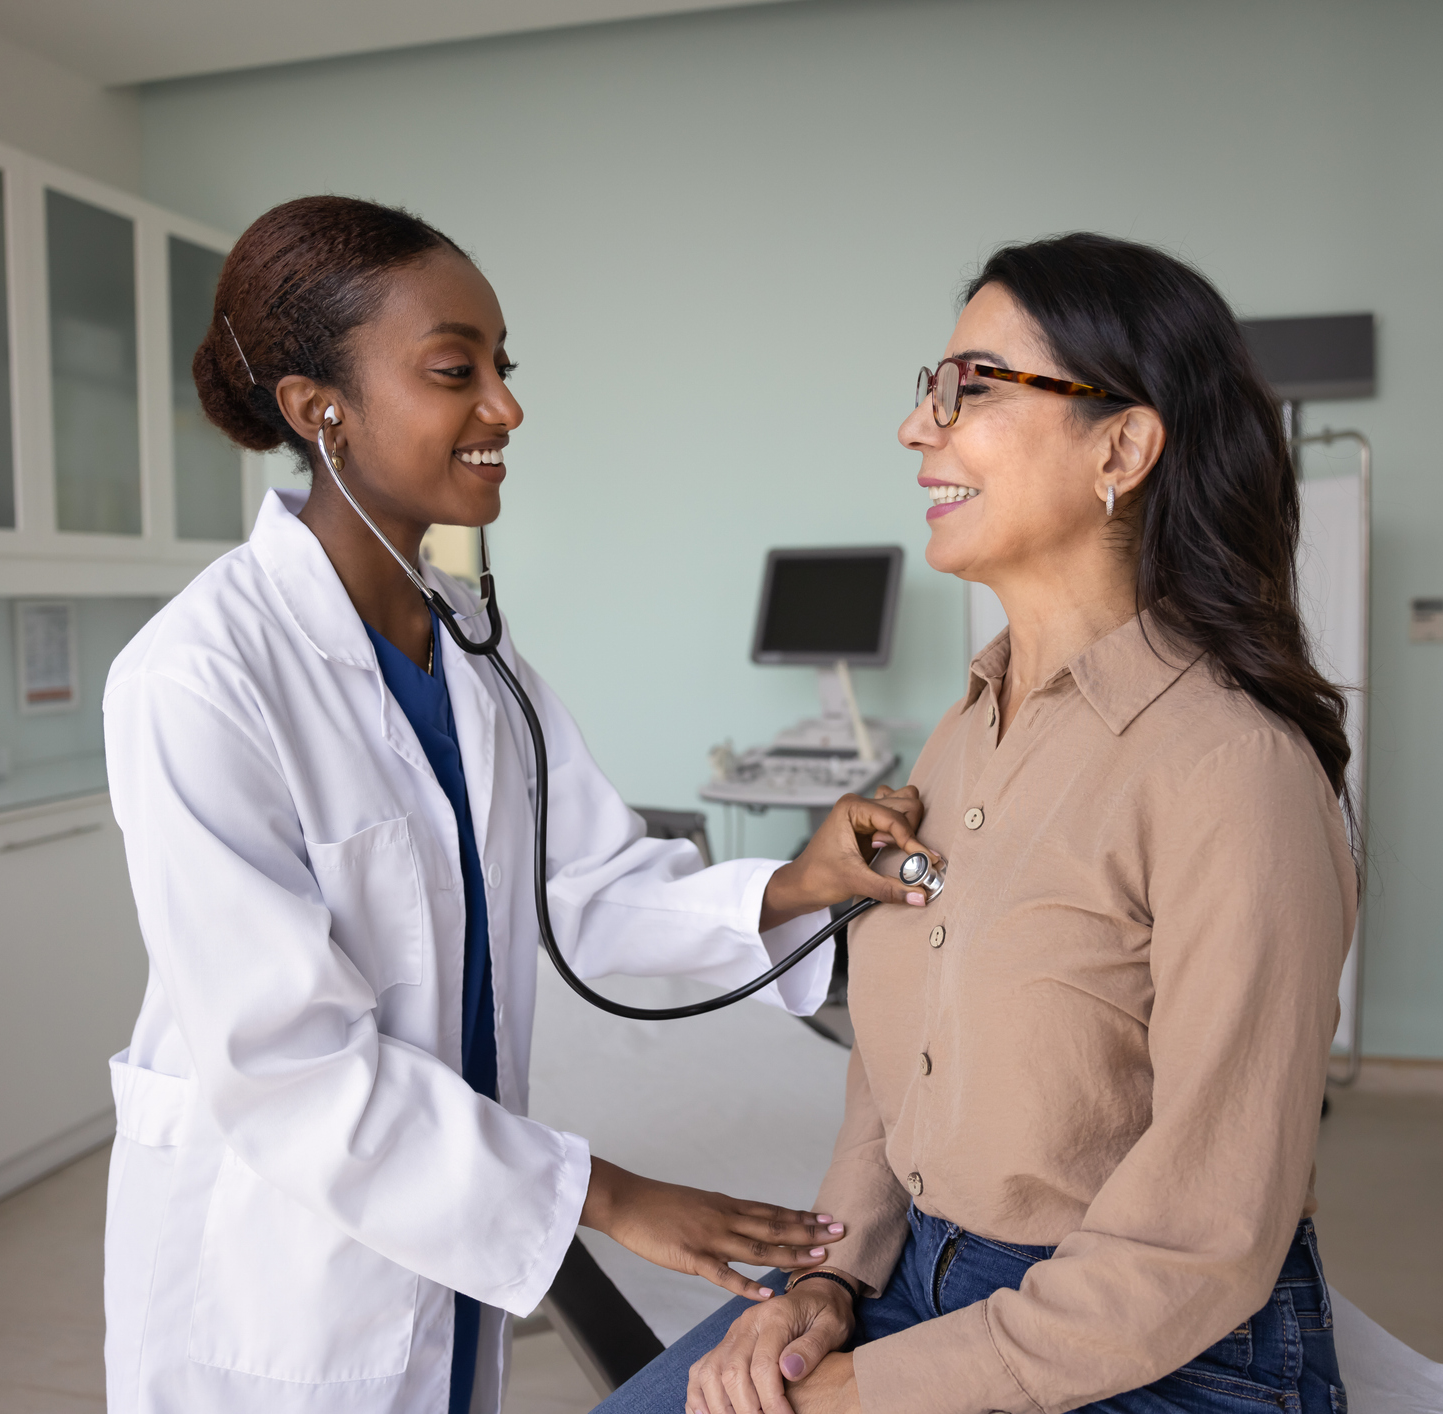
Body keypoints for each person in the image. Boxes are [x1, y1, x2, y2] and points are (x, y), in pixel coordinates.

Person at [100, 195, 937, 1414]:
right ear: (314, 408)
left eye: (503, 365)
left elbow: (586, 885)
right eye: (456, 370)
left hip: (436, 1221)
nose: (506, 405)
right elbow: (287, 1063)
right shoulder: (198, 677)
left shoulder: (474, 655)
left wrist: (801, 879)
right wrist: (609, 1196)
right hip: (275, 1266)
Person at [596, 233, 1359, 1414]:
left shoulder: (1230, 769)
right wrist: (828, 1279)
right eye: (927, 390)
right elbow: (893, 1077)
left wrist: (862, 1394)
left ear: (1123, 443)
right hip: (913, 1277)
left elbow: (1197, 1242)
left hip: (1151, 1343)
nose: (917, 429)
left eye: (971, 388)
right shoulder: (961, 741)